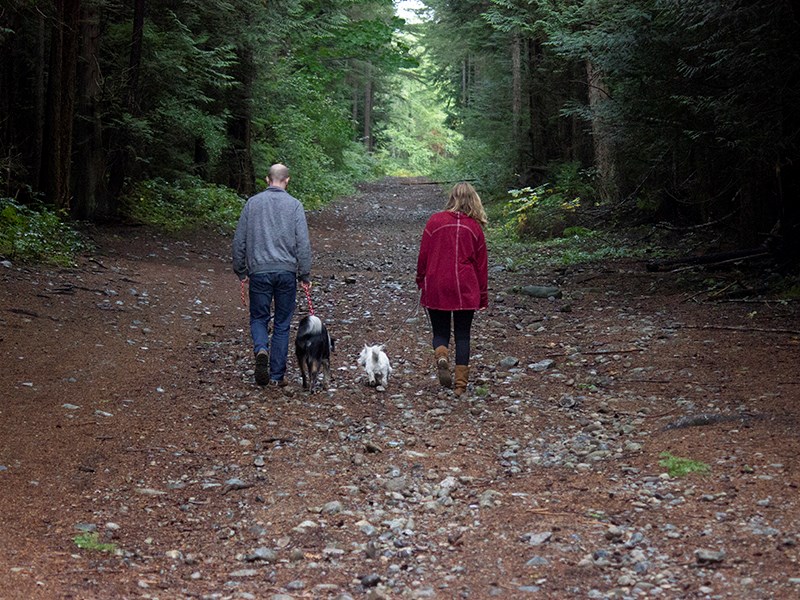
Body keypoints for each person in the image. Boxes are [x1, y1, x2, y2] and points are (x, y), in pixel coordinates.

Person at [233, 164, 311, 387]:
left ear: (268, 180)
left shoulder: (252, 204)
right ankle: (276, 375)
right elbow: (302, 243)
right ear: (287, 180)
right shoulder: (295, 205)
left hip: (259, 271)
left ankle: (261, 349)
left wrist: (241, 270)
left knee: (259, 317)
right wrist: (304, 274)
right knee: (282, 323)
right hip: (286, 272)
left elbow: (240, 240)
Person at [416, 182, 488, 397]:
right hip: (465, 287)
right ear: (473, 200)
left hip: (437, 283)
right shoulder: (474, 228)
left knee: (440, 331)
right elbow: (481, 266)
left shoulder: (434, 221)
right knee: (463, 335)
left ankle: (442, 355)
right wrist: (482, 295)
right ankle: (460, 386)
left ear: (452, 198)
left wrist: (421, 280)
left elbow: (424, 255)